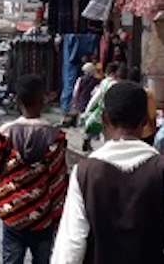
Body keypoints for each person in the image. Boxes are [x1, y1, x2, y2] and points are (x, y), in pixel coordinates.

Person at [51, 81, 164, 264]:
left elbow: (70, 248)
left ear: (105, 118)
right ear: (145, 120)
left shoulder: (85, 172)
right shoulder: (159, 169)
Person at [0, 74, 68, 264]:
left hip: (12, 212)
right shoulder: (55, 137)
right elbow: (59, 180)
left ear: (17, 101)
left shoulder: (5, 133)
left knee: (12, 259)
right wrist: (59, 218)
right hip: (42, 214)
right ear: (43, 100)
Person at [80, 61, 118, 153]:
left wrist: (88, 109)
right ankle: (105, 150)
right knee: (106, 132)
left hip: (101, 109)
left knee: (96, 127)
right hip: (110, 110)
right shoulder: (115, 84)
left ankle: (89, 141)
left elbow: (96, 97)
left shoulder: (104, 82)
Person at [128, 67, 157, 145]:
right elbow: (152, 116)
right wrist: (154, 131)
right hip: (145, 133)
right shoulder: (147, 93)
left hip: (129, 133)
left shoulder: (126, 93)